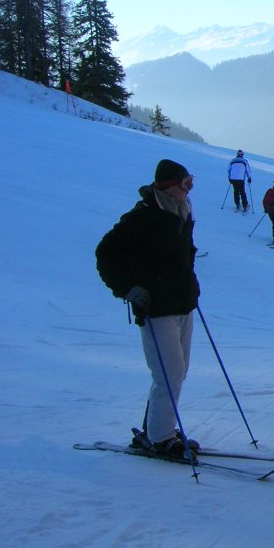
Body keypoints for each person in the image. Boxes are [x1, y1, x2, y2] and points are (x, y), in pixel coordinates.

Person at [95, 159, 201, 457]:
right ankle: (160, 438)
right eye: (186, 184)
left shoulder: (182, 212)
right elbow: (106, 254)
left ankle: (156, 427)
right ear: (168, 187)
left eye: (191, 182)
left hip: (183, 304)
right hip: (156, 308)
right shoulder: (141, 218)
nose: (189, 189)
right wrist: (127, 289)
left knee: (178, 373)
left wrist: (191, 286)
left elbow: (184, 258)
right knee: (169, 372)